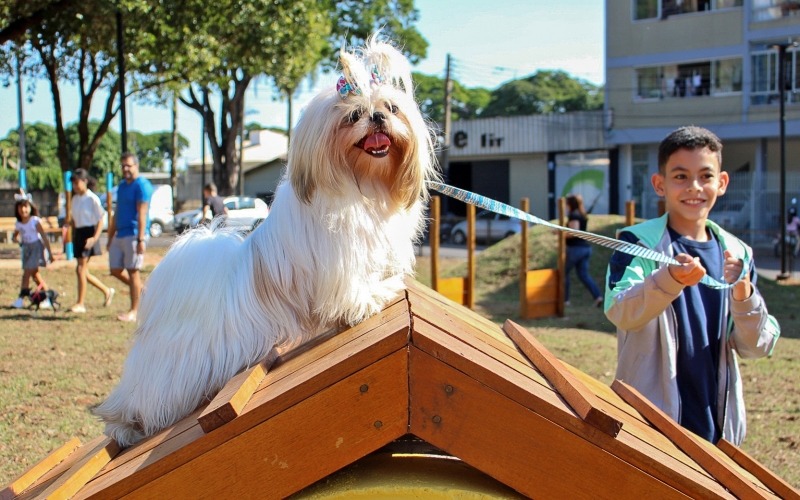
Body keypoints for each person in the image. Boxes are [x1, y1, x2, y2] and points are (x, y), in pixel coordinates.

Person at [604, 126, 780, 446]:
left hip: (718, 426)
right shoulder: (636, 243)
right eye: (681, 176)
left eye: (705, 176)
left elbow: (755, 346)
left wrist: (743, 294)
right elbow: (621, 311)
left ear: (722, 183)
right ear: (660, 184)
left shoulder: (738, 253)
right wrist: (669, 280)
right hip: (651, 421)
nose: (694, 187)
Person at [107, 152, 153, 322]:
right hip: (121, 233)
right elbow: (117, 211)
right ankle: (143, 292)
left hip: (134, 234)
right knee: (115, 270)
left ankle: (134, 311)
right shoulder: (122, 186)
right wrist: (111, 235)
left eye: (128, 165)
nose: (125, 169)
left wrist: (141, 239)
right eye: (123, 166)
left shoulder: (142, 185)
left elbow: (142, 213)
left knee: (133, 271)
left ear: (136, 166)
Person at [67, 169, 115, 313]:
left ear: (85, 181)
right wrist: (69, 224)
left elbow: (101, 219)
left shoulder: (92, 198)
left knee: (81, 269)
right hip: (79, 233)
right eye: (73, 184)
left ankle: (80, 303)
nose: (75, 186)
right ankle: (107, 291)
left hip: (89, 233)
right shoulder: (74, 199)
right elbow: (75, 220)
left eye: (77, 183)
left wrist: (94, 238)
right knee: (81, 271)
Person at [11, 196, 54, 308]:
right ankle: (48, 296)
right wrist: (15, 238)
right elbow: (15, 235)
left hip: (36, 249)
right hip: (27, 249)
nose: (23, 210)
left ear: (30, 207)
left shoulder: (34, 221)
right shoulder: (19, 223)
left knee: (26, 274)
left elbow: (44, 237)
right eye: (20, 207)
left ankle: (21, 299)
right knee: (35, 276)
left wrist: (50, 253)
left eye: (25, 207)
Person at [564, 193, 604, 308]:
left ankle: (565, 300)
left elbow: (574, 232)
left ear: (570, 204)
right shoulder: (582, 214)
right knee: (583, 275)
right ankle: (598, 296)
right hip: (585, 249)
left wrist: (560, 233)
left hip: (575, 249)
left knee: (563, 274)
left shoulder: (574, 215)